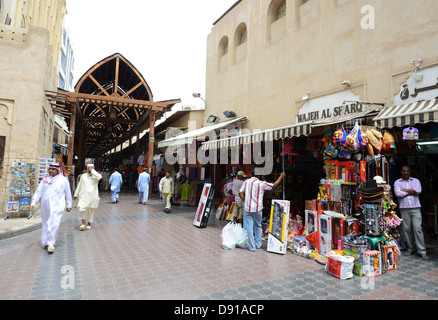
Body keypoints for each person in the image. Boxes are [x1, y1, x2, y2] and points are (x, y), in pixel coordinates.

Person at [30, 163, 72, 254]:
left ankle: (51, 243)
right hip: (45, 206)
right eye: (50, 169)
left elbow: (68, 193)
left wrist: (69, 205)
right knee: (46, 223)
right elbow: (38, 192)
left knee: (54, 223)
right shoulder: (45, 180)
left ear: (57, 170)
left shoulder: (63, 180)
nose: (51, 170)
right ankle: (45, 241)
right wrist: (33, 202)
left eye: (53, 169)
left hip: (57, 206)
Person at [239, 171, 286, 252]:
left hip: (247, 208)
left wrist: (244, 200)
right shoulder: (261, 183)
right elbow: (274, 185)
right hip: (258, 209)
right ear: (259, 176)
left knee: (249, 227)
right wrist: (281, 177)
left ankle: (252, 247)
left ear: (251, 175)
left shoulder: (246, 182)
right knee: (258, 225)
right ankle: (258, 244)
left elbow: (240, 192)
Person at [394, 165, 429, 260]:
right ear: (401, 171)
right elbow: (398, 194)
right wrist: (411, 191)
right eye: (404, 171)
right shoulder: (397, 182)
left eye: (408, 171)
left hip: (416, 208)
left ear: (410, 172)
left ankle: (422, 251)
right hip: (404, 208)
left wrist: (404, 191)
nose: (406, 173)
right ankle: (410, 248)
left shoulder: (416, 181)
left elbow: (418, 191)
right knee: (407, 229)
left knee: (418, 229)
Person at [74, 163, 102, 231]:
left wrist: (92, 171)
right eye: (89, 168)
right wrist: (75, 194)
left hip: (93, 196)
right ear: (86, 169)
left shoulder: (96, 176)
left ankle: (89, 224)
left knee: (91, 210)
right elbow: (79, 185)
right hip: (84, 195)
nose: (90, 169)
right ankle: (83, 223)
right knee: (81, 208)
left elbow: (100, 177)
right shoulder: (83, 176)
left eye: (91, 168)